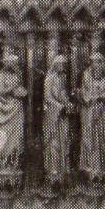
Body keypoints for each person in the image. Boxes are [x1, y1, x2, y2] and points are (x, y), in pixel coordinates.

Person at [79, 46, 105, 181]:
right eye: (95, 62)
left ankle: (101, 165)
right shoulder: (86, 74)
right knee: (90, 138)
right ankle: (91, 166)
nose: (97, 65)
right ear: (91, 63)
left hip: (103, 111)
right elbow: (84, 92)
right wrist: (92, 96)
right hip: (90, 112)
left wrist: (104, 95)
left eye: (100, 62)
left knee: (103, 138)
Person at [0, 50, 27, 182]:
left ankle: (13, 163)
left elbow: (20, 89)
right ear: (7, 63)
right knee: (3, 138)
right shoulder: (0, 75)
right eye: (12, 63)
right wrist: (11, 91)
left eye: (16, 64)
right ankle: (2, 162)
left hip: (16, 111)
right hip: (3, 112)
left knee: (16, 139)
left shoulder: (17, 75)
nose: (15, 66)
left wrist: (20, 92)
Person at [42, 52, 73, 188]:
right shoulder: (49, 78)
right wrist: (59, 105)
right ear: (56, 65)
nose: (63, 66)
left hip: (61, 115)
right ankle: (52, 172)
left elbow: (63, 94)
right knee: (53, 143)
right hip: (52, 115)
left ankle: (62, 172)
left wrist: (67, 103)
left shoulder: (62, 78)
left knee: (64, 142)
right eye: (61, 64)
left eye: (64, 64)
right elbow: (48, 97)